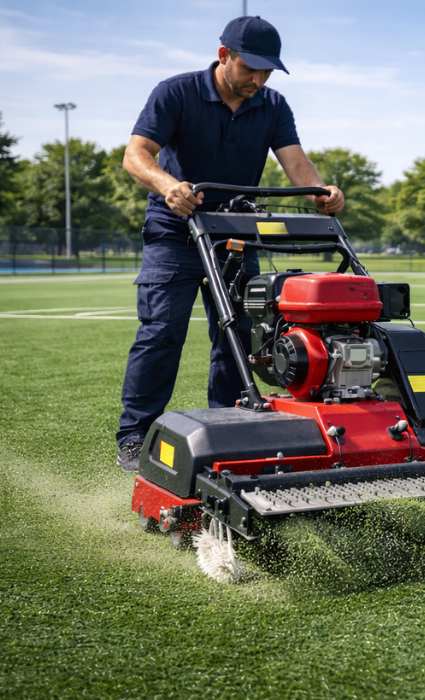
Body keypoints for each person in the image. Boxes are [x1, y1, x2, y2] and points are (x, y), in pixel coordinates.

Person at [115, 16, 344, 472]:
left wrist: (321, 192)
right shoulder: (176, 92)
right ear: (224, 56)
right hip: (176, 229)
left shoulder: (273, 105)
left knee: (239, 334)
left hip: (237, 234)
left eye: (267, 71)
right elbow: (136, 155)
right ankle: (135, 436)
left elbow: (295, 161)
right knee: (162, 331)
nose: (258, 79)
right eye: (250, 68)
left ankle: (226, 425)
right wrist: (168, 185)